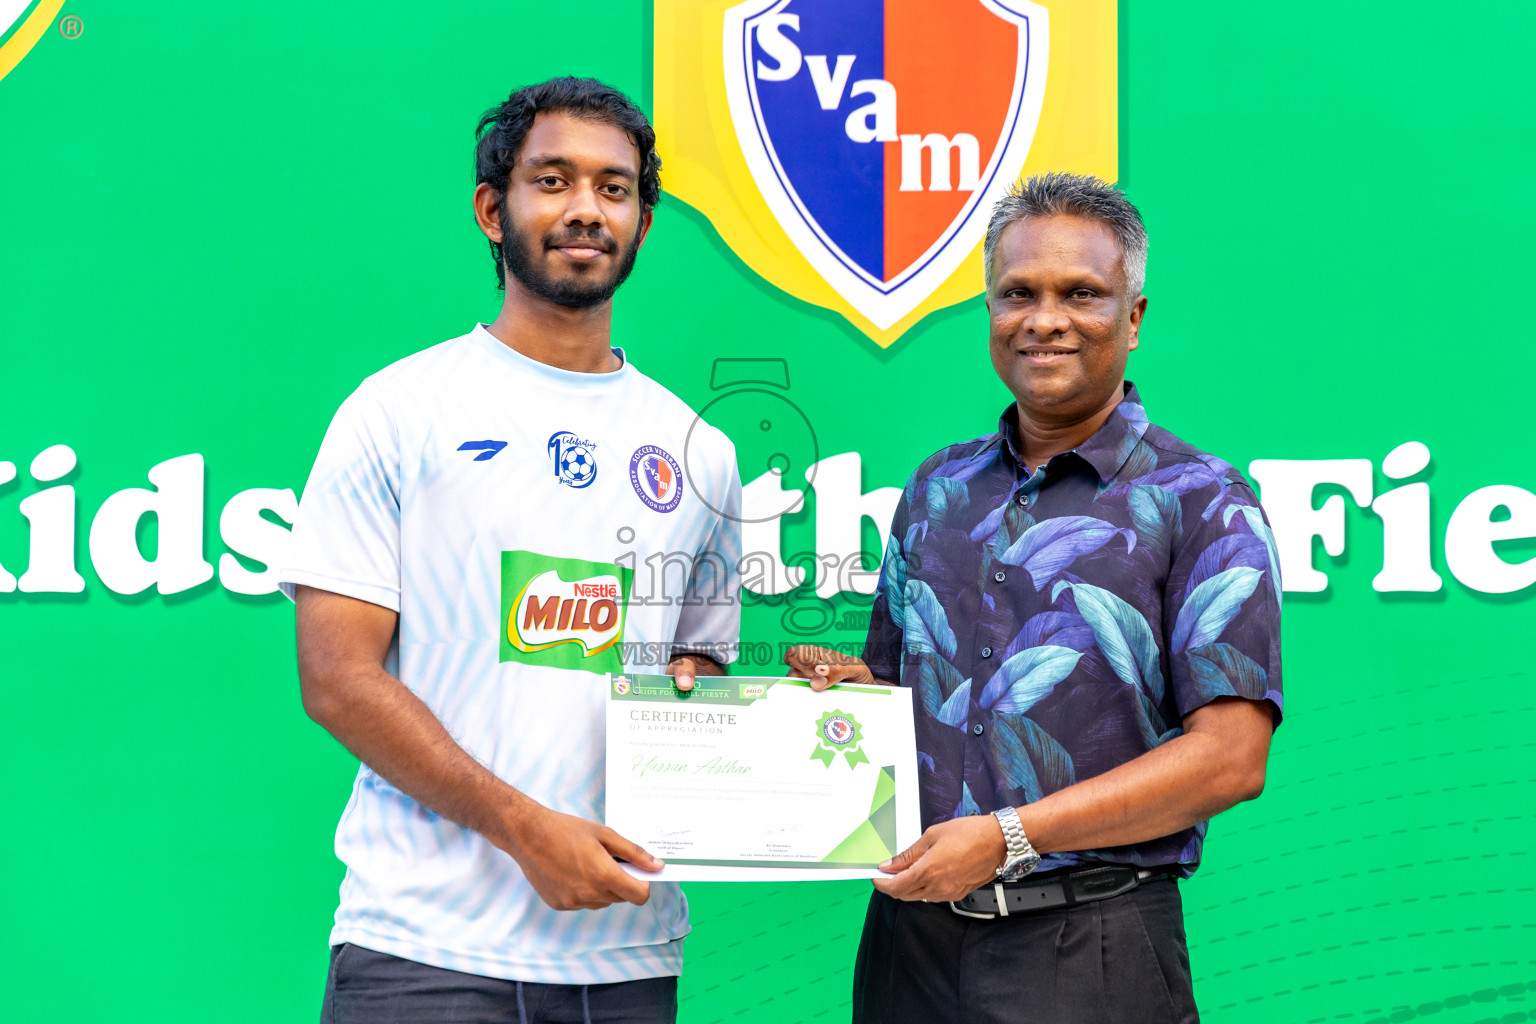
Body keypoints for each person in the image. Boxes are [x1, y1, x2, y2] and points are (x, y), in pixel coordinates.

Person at [278, 77, 741, 1024]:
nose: (585, 209)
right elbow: (335, 680)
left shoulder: (702, 453)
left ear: (644, 222)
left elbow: (693, 674)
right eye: (554, 181)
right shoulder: (398, 411)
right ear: (496, 209)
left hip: (624, 957)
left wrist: (802, 726)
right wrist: (526, 830)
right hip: (421, 950)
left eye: (615, 189)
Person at [786, 172, 1282, 1023]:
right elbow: (911, 714)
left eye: (1081, 293)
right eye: (1018, 293)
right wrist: (849, 697)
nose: (1044, 319)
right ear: (991, 312)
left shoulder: (1202, 500)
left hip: (1093, 947)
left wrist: (1011, 837)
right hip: (911, 947)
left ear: (1133, 319)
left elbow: (1231, 758)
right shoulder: (939, 486)